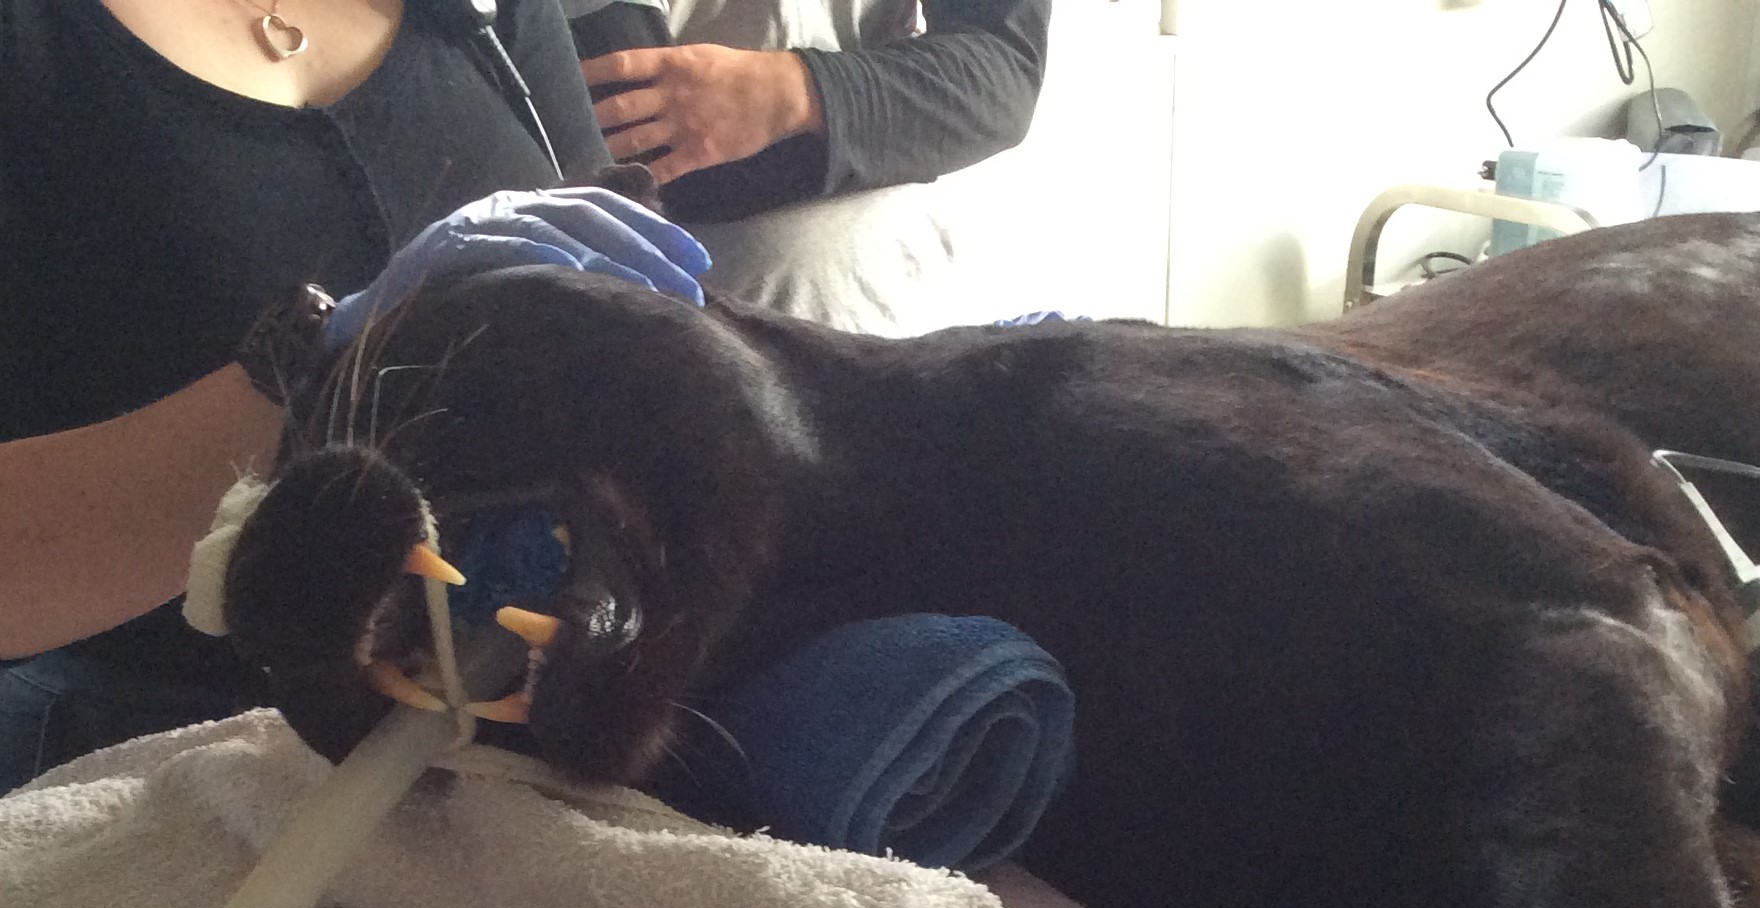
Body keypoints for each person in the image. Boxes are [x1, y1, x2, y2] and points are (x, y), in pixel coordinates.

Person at [0, 0, 710, 792]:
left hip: (527, 724)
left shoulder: (491, 15)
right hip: (152, 765)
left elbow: (641, 324)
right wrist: (314, 376)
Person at [565, 0, 1052, 332]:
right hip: (704, 372)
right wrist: (906, 114)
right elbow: (645, 150)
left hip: (906, 330)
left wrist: (794, 93)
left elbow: (1002, 80)